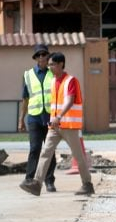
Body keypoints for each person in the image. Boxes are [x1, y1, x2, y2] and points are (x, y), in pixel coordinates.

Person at [20, 52, 95, 197]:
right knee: (45, 153)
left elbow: (70, 100)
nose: (49, 67)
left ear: (61, 64)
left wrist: (59, 116)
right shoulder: (53, 81)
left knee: (78, 156)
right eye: (49, 64)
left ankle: (87, 184)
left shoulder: (70, 80)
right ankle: (37, 183)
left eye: (52, 64)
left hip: (69, 126)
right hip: (54, 127)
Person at [19, 43, 58, 192]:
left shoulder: (53, 74)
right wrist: (21, 119)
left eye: (44, 54)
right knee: (35, 149)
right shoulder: (28, 75)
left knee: (49, 150)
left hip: (50, 117)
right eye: (39, 55)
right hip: (34, 117)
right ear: (35, 58)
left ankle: (49, 181)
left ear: (48, 56)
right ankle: (29, 179)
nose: (41, 57)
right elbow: (25, 98)